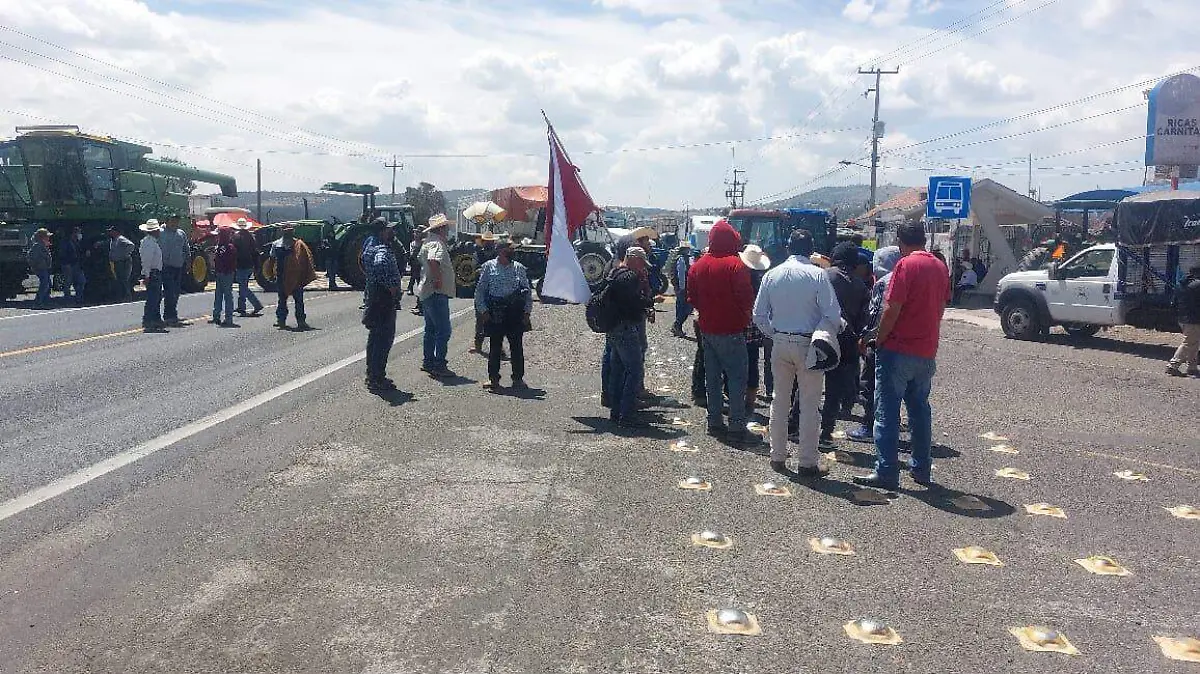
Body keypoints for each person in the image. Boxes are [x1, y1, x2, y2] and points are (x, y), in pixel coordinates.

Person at [854, 222, 952, 490]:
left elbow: (891, 309)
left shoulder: (905, 266)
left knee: (886, 412)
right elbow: (941, 307)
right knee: (920, 411)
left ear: (900, 242)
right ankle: (921, 468)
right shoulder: (940, 267)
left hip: (898, 350)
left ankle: (886, 470)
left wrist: (878, 339)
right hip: (926, 351)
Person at [753, 230, 842, 477]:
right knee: (810, 405)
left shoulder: (772, 274)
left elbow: (758, 315)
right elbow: (832, 315)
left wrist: (774, 333)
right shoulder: (818, 275)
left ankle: (777, 455)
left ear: (789, 247)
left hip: (780, 342)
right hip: (808, 344)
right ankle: (807, 462)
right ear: (810, 248)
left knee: (779, 401)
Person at [687, 219, 757, 444]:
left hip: (707, 330)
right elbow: (746, 299)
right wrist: (745, 317)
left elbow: (692, 298)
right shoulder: (736, 265)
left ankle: (714, 421)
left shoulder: (697, 265)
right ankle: (736, 426)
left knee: (712, 378)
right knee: (736, 379)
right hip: (732, 330)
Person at [847, 246, 901, 443]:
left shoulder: (883, 283)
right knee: (894, 389)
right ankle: (891, 425)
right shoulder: (907, 279)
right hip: (903, 344)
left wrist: (866, 337)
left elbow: (876, 314)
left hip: (880, 342)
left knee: (869, 385)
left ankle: (869, 426)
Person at [819, 242, 869, 448]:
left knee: (808, 384)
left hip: (821, 338)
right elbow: (864, 320)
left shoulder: (823, 276)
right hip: (847, 343)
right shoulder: (860, 285)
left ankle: (796, 426)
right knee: (833, 391)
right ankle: (826, 434)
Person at [606, 246, 654, 427]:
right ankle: (627, 414)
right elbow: (632, 304)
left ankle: (616, 411)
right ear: (633, 258)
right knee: (634, 371)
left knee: (618, 372)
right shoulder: (630, 277)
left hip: (613, 327)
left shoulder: (614, 272)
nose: (642, 267)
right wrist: (648, 302)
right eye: (641, 262)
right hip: (626, 327)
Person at [475, 237, 533, 389]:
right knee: (495, 348)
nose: (513, 252)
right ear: (501, 251)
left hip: (515, 313)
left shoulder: (518, 268)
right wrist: (483, 311)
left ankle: (518, 378)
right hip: (495, 312)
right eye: (510, 249)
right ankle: (493, 379)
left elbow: (527, 292)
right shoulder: (489, 267)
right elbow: (480, 291)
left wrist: (527, 312)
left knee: (516, 347)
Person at [363, 220, 402, 392]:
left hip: (374, 297)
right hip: (383, 299)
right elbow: (380, 265)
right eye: (389, 229)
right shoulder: (382, 250)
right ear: (382, 232)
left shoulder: (369, 247)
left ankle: (372, 374)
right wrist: (391, 287)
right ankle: (377, 377)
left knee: (375, 339)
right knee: (383, 339)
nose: (392, 232)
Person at [417, 213, 456, 378]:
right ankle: (439, 364)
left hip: (427, 291)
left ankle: (428, 362)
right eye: (446, 227)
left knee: (431, 329)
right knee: (444, 330)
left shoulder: (429, 242)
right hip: (436, 292)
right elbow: (434, 261)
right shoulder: (437, 243)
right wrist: (438, 280)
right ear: (442, 228)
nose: (447, 230)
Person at [263, 226, 316, 330]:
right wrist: (270, 274)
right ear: (283, 232)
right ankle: (281, 320)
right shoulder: (276, 244)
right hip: (282, 276)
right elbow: (272, 260)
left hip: (296, 276)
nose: (288, 233)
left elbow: (305, 261)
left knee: (298, 300)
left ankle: (301, 321)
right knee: (282, 300)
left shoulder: (299, 245)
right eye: (286, 231)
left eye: (289, 231)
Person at [740, 245, 773, 410]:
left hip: (739, 327)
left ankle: (737, 397)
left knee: (737, 364)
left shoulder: (740, 277)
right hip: (756, 329)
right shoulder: (763, 279)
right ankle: (750, 401)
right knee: (753, 363)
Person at [1167, 263, 1200, 377]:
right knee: (1189, 342)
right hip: (1194, 319)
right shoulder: (1198, 285)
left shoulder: (1180, 285)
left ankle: (1192, 367)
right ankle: (1173, 365)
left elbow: (1173, 303)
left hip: (1182, 319)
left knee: (1194, 343)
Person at [159, 215, 190, 327]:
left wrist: (188, 262)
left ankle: (172, 315)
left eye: (176, 222)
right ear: (166, 221)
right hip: (165, 267)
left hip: (178, 266)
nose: (175, 224)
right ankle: (169, 316)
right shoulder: (160, 232)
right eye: (172, 221)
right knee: (170, 291)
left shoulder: (181, 233)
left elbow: (186, 248)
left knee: (176, 292)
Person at [473, 232, 500, 353]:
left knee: (497, 320)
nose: (489, 243)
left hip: (495, 290)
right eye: (487, 241)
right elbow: (474, 269)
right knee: (480, 319)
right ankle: (478, 345)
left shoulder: (497, 255)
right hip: (482, 290)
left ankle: (498, 348)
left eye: (491, 241)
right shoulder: (477, 254)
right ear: (483, 242)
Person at [138, 220, 166, 332]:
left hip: (155, 272)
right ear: (154, 231)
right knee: (153, 298)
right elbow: (147, 260)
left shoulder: (151, 242)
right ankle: (149, 320)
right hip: (153, 273)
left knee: (157, 297)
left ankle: (155, 319)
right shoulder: (148, 243)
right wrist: (147, 275)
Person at [232, 219, 263, 317]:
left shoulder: (236, 237)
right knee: (243, 286)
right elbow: (255, 252)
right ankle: (241, 307)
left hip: (241, 264)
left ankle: (256, 304)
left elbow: (234, 252)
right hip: (249, 264)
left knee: (243, 287)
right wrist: (256, 266)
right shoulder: (250, 236)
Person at [210, 226, 238, 327]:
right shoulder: (228, 247)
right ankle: (218, 316)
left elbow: (226, 261)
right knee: (222, 295)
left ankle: (226, 318)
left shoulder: (226, 247)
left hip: (225, 273)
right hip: (225, 273)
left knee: (224, 295)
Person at [671, 240, 695, 337]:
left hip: (681, 287)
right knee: (687, 308)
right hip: (683, 288)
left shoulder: (681, 258)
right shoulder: (682, 259)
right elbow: (681, 274)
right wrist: (682, 288)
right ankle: (677, 325)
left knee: (681, 308)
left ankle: (677, 327)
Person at [107, 226, 136, 302]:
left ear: (116, 232)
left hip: (123, 262)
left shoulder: (121, 238)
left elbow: (131, 245)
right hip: (117, 262)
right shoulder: (114, 240)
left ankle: (127, 296)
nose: (110, 232)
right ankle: (121, 296)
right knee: (119, 279)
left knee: (124, 279)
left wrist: (124, 254)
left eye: (112, 231)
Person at [27, 228, 53, 309]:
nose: (48, 238)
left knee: (48, 284)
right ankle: (38, 302)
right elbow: (31, 257)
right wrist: (37, 265)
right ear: (42, 237)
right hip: (40, 268)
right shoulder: (37, 246)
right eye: (47, 236)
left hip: (44, 268)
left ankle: (45, 301)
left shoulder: (43, 245)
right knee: (44, 284)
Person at [59, 226, 85, 305]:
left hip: (76, 264)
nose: (79, 234)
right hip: (68, 265)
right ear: (73, 233)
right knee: (68, 282)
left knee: (81, 281)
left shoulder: (77, 242)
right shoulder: (65, 242)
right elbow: (62, 254)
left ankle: (79, 298)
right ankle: (67, 299)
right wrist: (66, 264)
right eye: (78, 232)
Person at [322, 220, 341, 290]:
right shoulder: (327, 241)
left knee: (333, 273)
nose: (332, 234)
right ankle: (332, 284)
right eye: (330, 233)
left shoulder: (333, 241)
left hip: (332, 258)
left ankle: (332, 284)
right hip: (330, 259)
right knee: (331, 273)